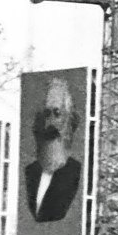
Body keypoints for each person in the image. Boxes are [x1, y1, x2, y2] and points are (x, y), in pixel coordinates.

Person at [20, 77, 83, 226]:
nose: (50, 122)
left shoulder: (74, 172)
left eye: (57, 113)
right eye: (46, 114)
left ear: (69, 121)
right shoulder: (30, 172)